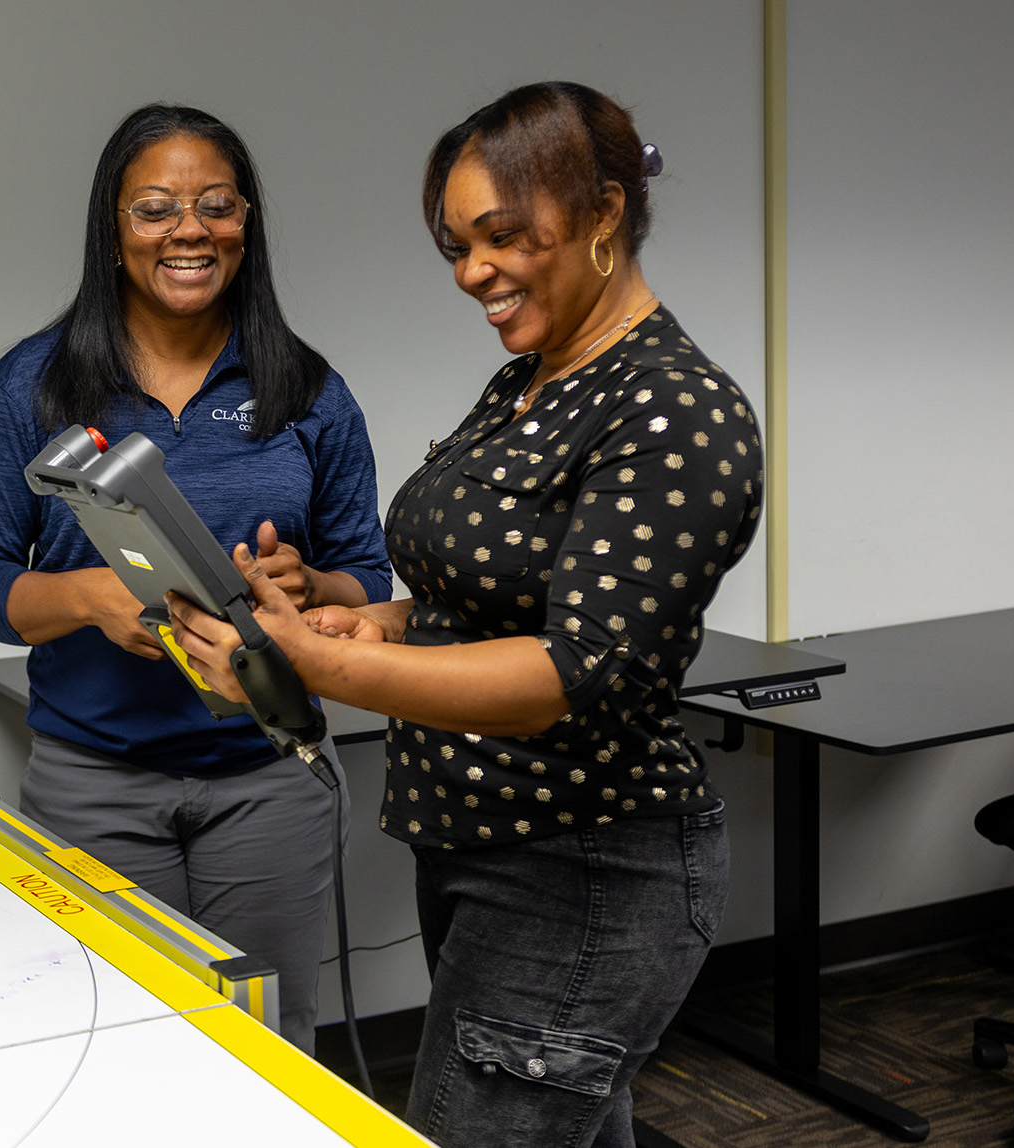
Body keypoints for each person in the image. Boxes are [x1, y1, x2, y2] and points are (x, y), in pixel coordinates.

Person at [164, 82, 763, 1146]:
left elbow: (562, 672)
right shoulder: (533, 382)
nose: (470, 271)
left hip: (580, 868)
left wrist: (316, 666)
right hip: (483, 856)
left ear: (604, 214)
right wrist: (369, 625)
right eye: (455, 244)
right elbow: (476, 602)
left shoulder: (672, 408)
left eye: (502, 236)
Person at [0, 103, 390, 1053]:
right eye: (155, 209)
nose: (189, 229)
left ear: (246, 223)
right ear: (113, 232)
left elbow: (368, 577)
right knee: (120, 1045)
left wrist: (310, 589)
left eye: (215, 205)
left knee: (270, 1046)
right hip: (92, 783)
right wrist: (87, 600)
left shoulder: (308, 391)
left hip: (270, 779)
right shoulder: (31, 386)